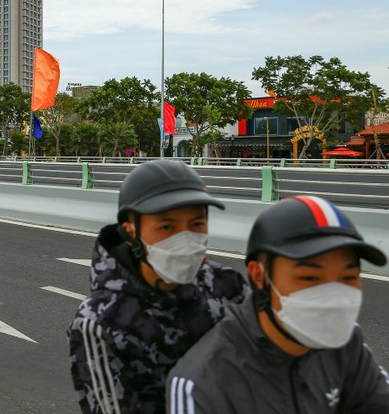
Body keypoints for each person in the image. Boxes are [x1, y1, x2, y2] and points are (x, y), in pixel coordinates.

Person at [167, 195, 389, 413]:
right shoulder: (204, 381)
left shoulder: (347, 343)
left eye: (348, 278)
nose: (334, 299)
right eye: (310, 278)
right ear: (259, 275)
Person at [68, 160, 248, 414]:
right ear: (131, 233)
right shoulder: (100, 322)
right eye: (167, 227)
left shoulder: (226, 283)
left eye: (197, 224)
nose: (185, 239)